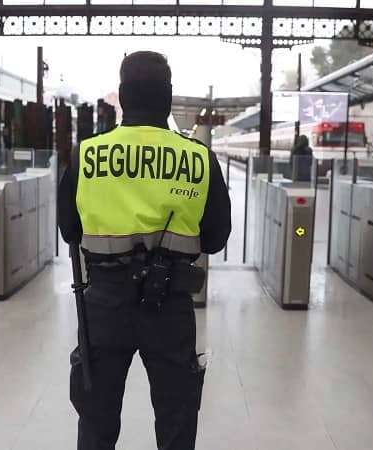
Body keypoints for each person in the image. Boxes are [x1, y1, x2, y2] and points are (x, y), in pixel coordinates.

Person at [58, 51, 232, 450]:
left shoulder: (86, 155)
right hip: (169, 306)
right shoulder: (199, 158)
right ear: (169, 98)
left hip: (103, 306)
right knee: (176, 422)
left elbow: (69, 230)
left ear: (122, 96)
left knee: (97, 424)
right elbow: (217, 238)